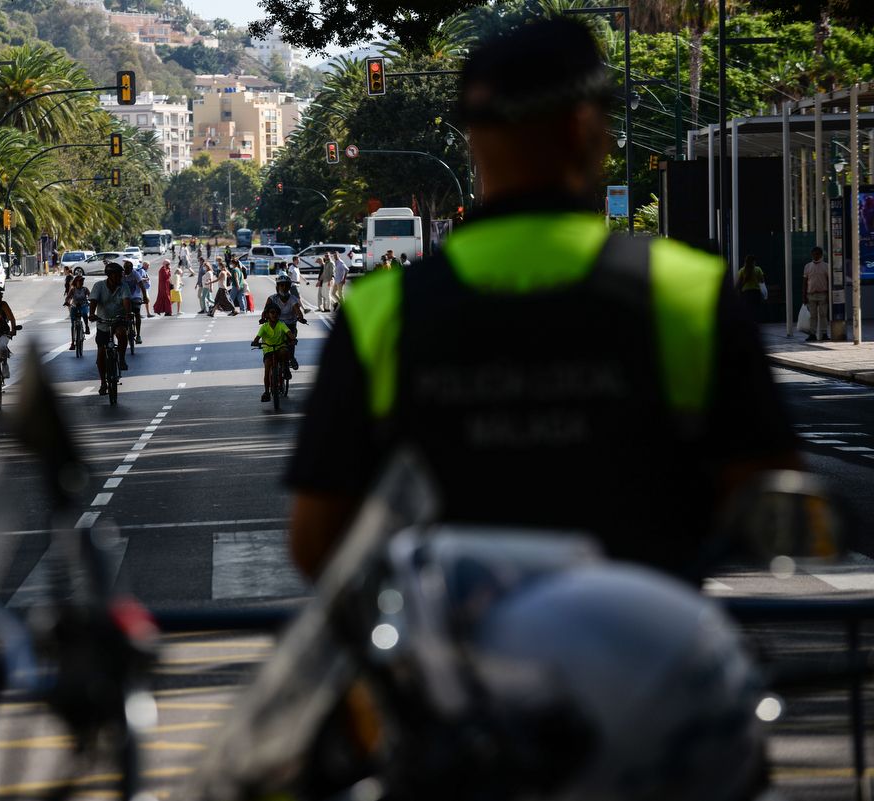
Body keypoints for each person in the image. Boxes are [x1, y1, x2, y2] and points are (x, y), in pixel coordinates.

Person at [285, 16, 799, 584]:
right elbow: (767, 502)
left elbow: (316, 541)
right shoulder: (689, 291)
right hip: (641, 656)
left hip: (452, 664)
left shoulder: (380, 310)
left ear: (474, 139)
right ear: (587, 128)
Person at [90, 262, 132, 394]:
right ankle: (103, 383)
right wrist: (91, 314)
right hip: (103, 322)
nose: (120, 277)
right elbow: (94, 301)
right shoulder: (98, 286)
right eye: (118, 275)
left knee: (121, 334)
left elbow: (126, 302)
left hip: (119, 319)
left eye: (121, 275)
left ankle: (122, 358)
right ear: (110, 275)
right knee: (101, 354)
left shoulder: (123, 286)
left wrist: (127, 314)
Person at [252, 305, 296, 403]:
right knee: (267, 369)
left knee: (285, 351)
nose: (274, 315)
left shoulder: (281, 324)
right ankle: (267, 392)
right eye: (272, 312)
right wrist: (255, 342)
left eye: (276, 313)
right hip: (268, 350)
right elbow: (257, 337)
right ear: (267, 315)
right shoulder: (264, 326)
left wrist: (293, 339)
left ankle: (285, 368)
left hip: (280, 347)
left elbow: (288, 332)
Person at [264, 272, 305, 368]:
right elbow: (265, 311)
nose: (284, 287)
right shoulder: (272, 298)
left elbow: (298, 311)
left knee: (291, 340)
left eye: (286, 285)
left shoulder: (293, 299)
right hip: (275, 324)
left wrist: (301, 317)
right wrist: (263, 317)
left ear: (289, 287)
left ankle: (291, 358)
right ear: (277, 286)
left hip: (290, 324)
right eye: (281, 285)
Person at [803, 246, 830, 342]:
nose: (815, 256)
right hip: (811, 294)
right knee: (812, 316)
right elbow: (805, 281)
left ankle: (824, 333)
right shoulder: (807, 266)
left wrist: (828, 295)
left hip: (823, 293)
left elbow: (828, 281)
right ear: (812, 255)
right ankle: (812, 334)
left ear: (821, 255)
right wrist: (804, 296)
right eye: (814, 254)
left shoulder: (826, 266)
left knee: (823, 315)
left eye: (818, 254)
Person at [122, 261, 146, 343]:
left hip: (135, 296)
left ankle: (138, 335)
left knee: (137, 312)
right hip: (125, 297)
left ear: (132, 269)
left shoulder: (135, 274)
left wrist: (145, 297)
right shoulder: (122, 274)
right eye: (125, 268)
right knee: (122, 314)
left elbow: (142, 286)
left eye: (128, 269)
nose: (126, 270)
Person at [735, 254, 765, 320]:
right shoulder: (758, 269)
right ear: (754, 262)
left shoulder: (742, 271)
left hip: (746, 293)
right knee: (755, 309)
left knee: (747, 309)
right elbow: (762, 281)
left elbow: (739, 283)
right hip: (756, 292)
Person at [65, 273, 91, 348]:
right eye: (80, 281)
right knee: (73, 325)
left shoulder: (85, 289)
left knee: (84, 313)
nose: (81, 282)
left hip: (84, 305)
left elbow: (90, 296)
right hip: (75, 306)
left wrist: (91, 300)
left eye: (82, 281)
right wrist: (67, 302)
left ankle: (86, 326)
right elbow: (68, 297)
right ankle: (73, 342)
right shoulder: (73, 290)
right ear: (76, 282)